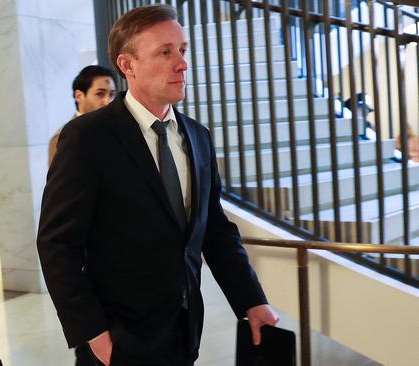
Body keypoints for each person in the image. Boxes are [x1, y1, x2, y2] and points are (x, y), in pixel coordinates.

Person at [37, 5, 278, 366]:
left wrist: (251, 299)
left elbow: (214, 228)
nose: (181, 64)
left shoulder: (198, 137)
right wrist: (92, 332)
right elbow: (57, 245)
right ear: (127, 65)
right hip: (117, 342)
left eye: (182, 50)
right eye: (165, 52)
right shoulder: (88, 138)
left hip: (183, 333)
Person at [48, 65, 117, 165]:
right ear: (79, 96)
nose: (108, 101)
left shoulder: (116, 129)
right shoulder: (63, 137)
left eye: (111, 94)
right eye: (100, 94)